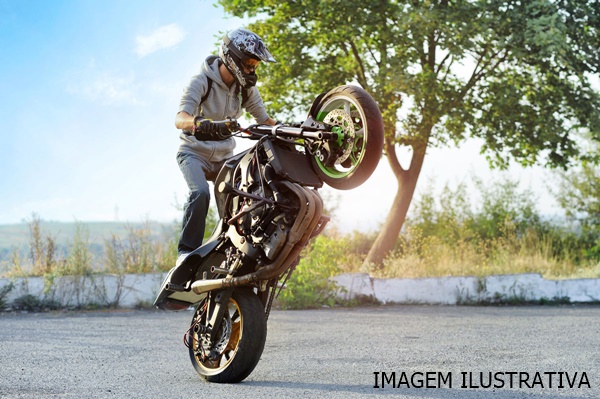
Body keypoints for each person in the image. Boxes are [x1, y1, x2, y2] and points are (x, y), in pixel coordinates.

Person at [174, 28, 277, 265]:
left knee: (240, 199)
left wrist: (290, 130)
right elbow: (179, 119)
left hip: (223, 158)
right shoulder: (201, 82)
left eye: (255, 64)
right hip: (193, 153)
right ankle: (185, 253)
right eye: (249, 62)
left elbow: (265, 121)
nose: (252, 69)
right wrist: (204, 124)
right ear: (231, 57)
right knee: (199, 193)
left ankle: (231, 252)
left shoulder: (245, 88)